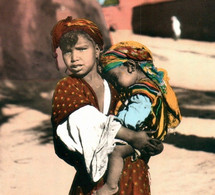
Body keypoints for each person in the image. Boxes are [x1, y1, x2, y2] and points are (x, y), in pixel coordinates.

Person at [50, 16, 163, 195]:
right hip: (93, 181)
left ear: (97, 50)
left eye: (81, 49)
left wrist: (150, 142)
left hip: (133, 173)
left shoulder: (116, 84)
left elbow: (146, 113)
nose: (74, 58)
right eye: (67, 51)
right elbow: (85, 120)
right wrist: (132, 136)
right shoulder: (68, 86)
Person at [95, 41, 182, 194]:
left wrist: (117, 121)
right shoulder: (149, 86)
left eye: (115, 78)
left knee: (116, 152)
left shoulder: (142, 90)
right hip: (150, 136)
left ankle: (111, 185)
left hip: (140, 134)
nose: (116, 85)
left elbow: (136, 114)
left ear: (131, 67)